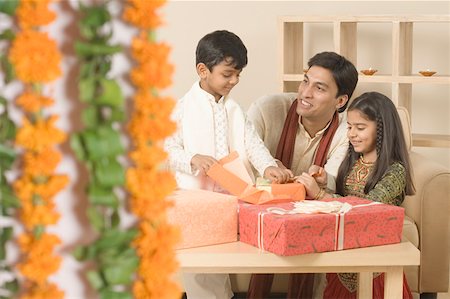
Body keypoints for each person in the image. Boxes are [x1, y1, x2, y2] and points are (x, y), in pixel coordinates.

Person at [164, 30, 293, 299]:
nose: (234, 81)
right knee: (202, 267)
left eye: (238, 75)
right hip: (197, 199)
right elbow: (164, 148)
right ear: (203, 70)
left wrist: (268, 166)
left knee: (225, 261)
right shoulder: (182, 109)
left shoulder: (235, 110)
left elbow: (253, 144)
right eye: (227, 74)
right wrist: (191, 158)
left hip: (233, 195)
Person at [246, 51, 358, 299]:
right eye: (305, 81)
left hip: (309, 207)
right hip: (262, 201)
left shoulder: (345, 131)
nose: (305, 93)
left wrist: (321, 180)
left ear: (340, 101)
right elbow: (242, 156)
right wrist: (267, 166)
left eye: (319, 88)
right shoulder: (268, 108)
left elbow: (333, 179)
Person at [296, 91, 416, 298]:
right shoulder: (354, 163)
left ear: (382, 130)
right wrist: (326, 181)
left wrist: (320, 195)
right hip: (345, 259)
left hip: (377, 265)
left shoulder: (395, 171)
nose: (351, 134)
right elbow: (347, 197)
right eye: (349, 127)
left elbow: (366, 209)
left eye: (360, 128)